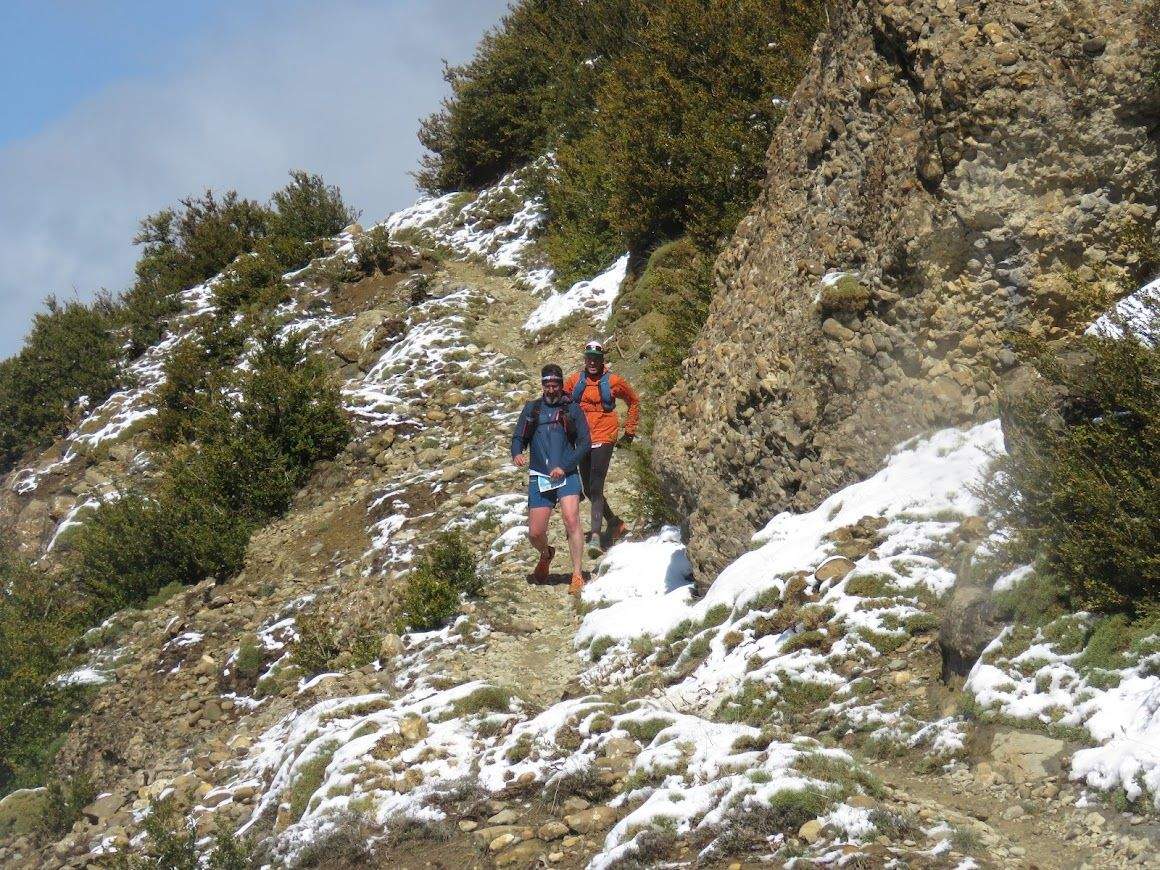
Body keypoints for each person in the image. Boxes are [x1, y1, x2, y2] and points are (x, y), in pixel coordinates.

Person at [511, 363, 591, 594]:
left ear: (561, 384)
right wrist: (516, 453)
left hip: (567, 475)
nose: (552, 389)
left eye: (556, 384)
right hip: (540, 475)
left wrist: (565, 466)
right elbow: (519, 436)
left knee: (571, 520)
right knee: (535, 532)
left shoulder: (572, 409)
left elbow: (584, 443)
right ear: (542, 385)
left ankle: (577, 574)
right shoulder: (532, 409)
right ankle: (546, 554)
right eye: (548, 384)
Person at [563, 340, 640, 556]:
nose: (592, 362)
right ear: (585, 359)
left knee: (596, 487)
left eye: (596, 358)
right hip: (582, 438)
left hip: (605, 435)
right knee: (588, 489)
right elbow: (560, 401)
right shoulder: (574, 381)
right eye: (589, 358)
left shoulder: (614, 381)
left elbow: (633, 400)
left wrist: (630, 431)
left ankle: (595, 537)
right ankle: (614, 522)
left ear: (602, 359)